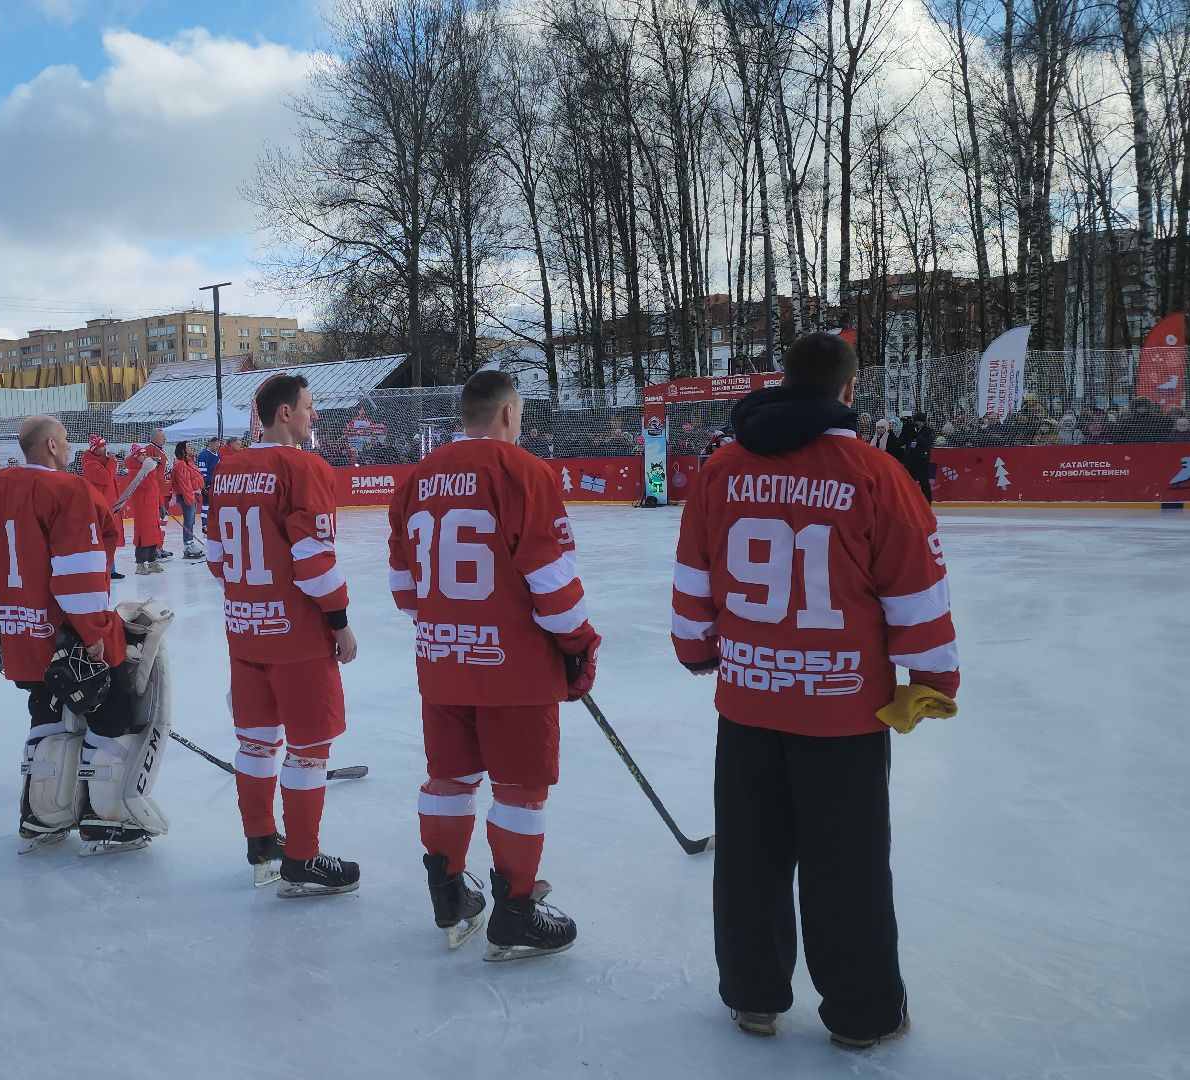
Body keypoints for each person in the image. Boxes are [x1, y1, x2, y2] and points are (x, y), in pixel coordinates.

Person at [671, 332, 959, 1050]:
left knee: (749, 856)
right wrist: (931, 681)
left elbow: (693, 576)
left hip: (748, 701)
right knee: (848, 863)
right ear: (849, 390)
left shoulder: (721, 469)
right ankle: (863, 1014)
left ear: (784, 381)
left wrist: (698, 650)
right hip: (844, 709)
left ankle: (754, 997)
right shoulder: (875, 473)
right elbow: (916, 591)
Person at [387, 369, 600, 959]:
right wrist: (579, 644)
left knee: (449, 779)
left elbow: (404, 588)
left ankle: (449, 893)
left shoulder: (417, 479)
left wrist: (450, 626)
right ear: (509, 413)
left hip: (443, 661)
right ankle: (516, 909)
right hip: (515, 668)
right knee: (520, 788)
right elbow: (552, 580)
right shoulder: (524, 471)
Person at [204, 373, 360, 897]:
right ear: (286, 413)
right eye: (309, 406)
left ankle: (261, 842)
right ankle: (303, 858)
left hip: (245, 630)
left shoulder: (229, 468)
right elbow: (314, 561)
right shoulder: (304, 467)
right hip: (297, 637)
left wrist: (251, 600)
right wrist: (339, 622)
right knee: (309, 748)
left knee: (256, 742)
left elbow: (216, 559)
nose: (314, 415)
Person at [0, 415, 172, 856]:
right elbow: (77, 571)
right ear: (51, 446)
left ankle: (42, 814)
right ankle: (107, 817)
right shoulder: (69, 490)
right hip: (66, 633)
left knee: (48, 713)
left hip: (20, 628)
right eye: (66, 440)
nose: (70, 446)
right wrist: (95, 633)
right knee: (113, 714)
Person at [124, 430, 170, 574]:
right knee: (143, 536)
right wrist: (149, 469)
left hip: (153, 507)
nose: (145, 457)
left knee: (154, 535)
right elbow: (142, 486)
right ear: (136, 457)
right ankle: (140, 564)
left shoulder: (150, 470)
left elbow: (156, 488)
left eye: (146, 455)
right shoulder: (135, 472)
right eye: (142, 455)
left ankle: (152, 561)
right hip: (143, 508)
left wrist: (161, 504)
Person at [80, 434, 124, 579]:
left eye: (105, 445)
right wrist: (112, 461)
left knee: (109, 539)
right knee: (103, 539)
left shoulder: (103, 463)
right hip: (99, 508)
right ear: (95, 449)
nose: (105, 448)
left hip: (109, 506)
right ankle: (104, 569)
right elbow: (105, 479)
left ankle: (111, 569)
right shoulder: (90, 465)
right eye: (101, 446)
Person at [893, 411, 937, 504]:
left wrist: (915, 435)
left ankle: (927, 503)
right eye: (916, 421)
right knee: (908, 483)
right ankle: (907, 502)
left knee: (924, 483)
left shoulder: (928, 431)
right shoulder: (910, 430)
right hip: (910, 461)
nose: (918, 423)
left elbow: (926, 443)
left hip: (922, 461)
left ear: (924, 422)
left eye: (920, 421)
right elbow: (900, 443)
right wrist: (904, 430)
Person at [171, 441, 205, 559]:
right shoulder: (181, 465)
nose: (191, 448)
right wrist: (191, 498)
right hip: (187, 496)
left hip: (192, 495)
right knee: (189, 521)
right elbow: (185, 484)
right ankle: (188, 545)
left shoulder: (189, 462)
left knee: (191, 521)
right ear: (183, 450)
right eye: (188, 446)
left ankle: (190, 543)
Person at [197, 437, 221, 507]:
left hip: (216, 483)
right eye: (216, 445)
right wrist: (205, 484)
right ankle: (204, 515)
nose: (218, 447)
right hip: (208, 483)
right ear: (211, 444)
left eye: (218, 446)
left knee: (214, 504)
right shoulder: (204, 455)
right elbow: (202, 470)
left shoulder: (218, 455)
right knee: (206, 504)